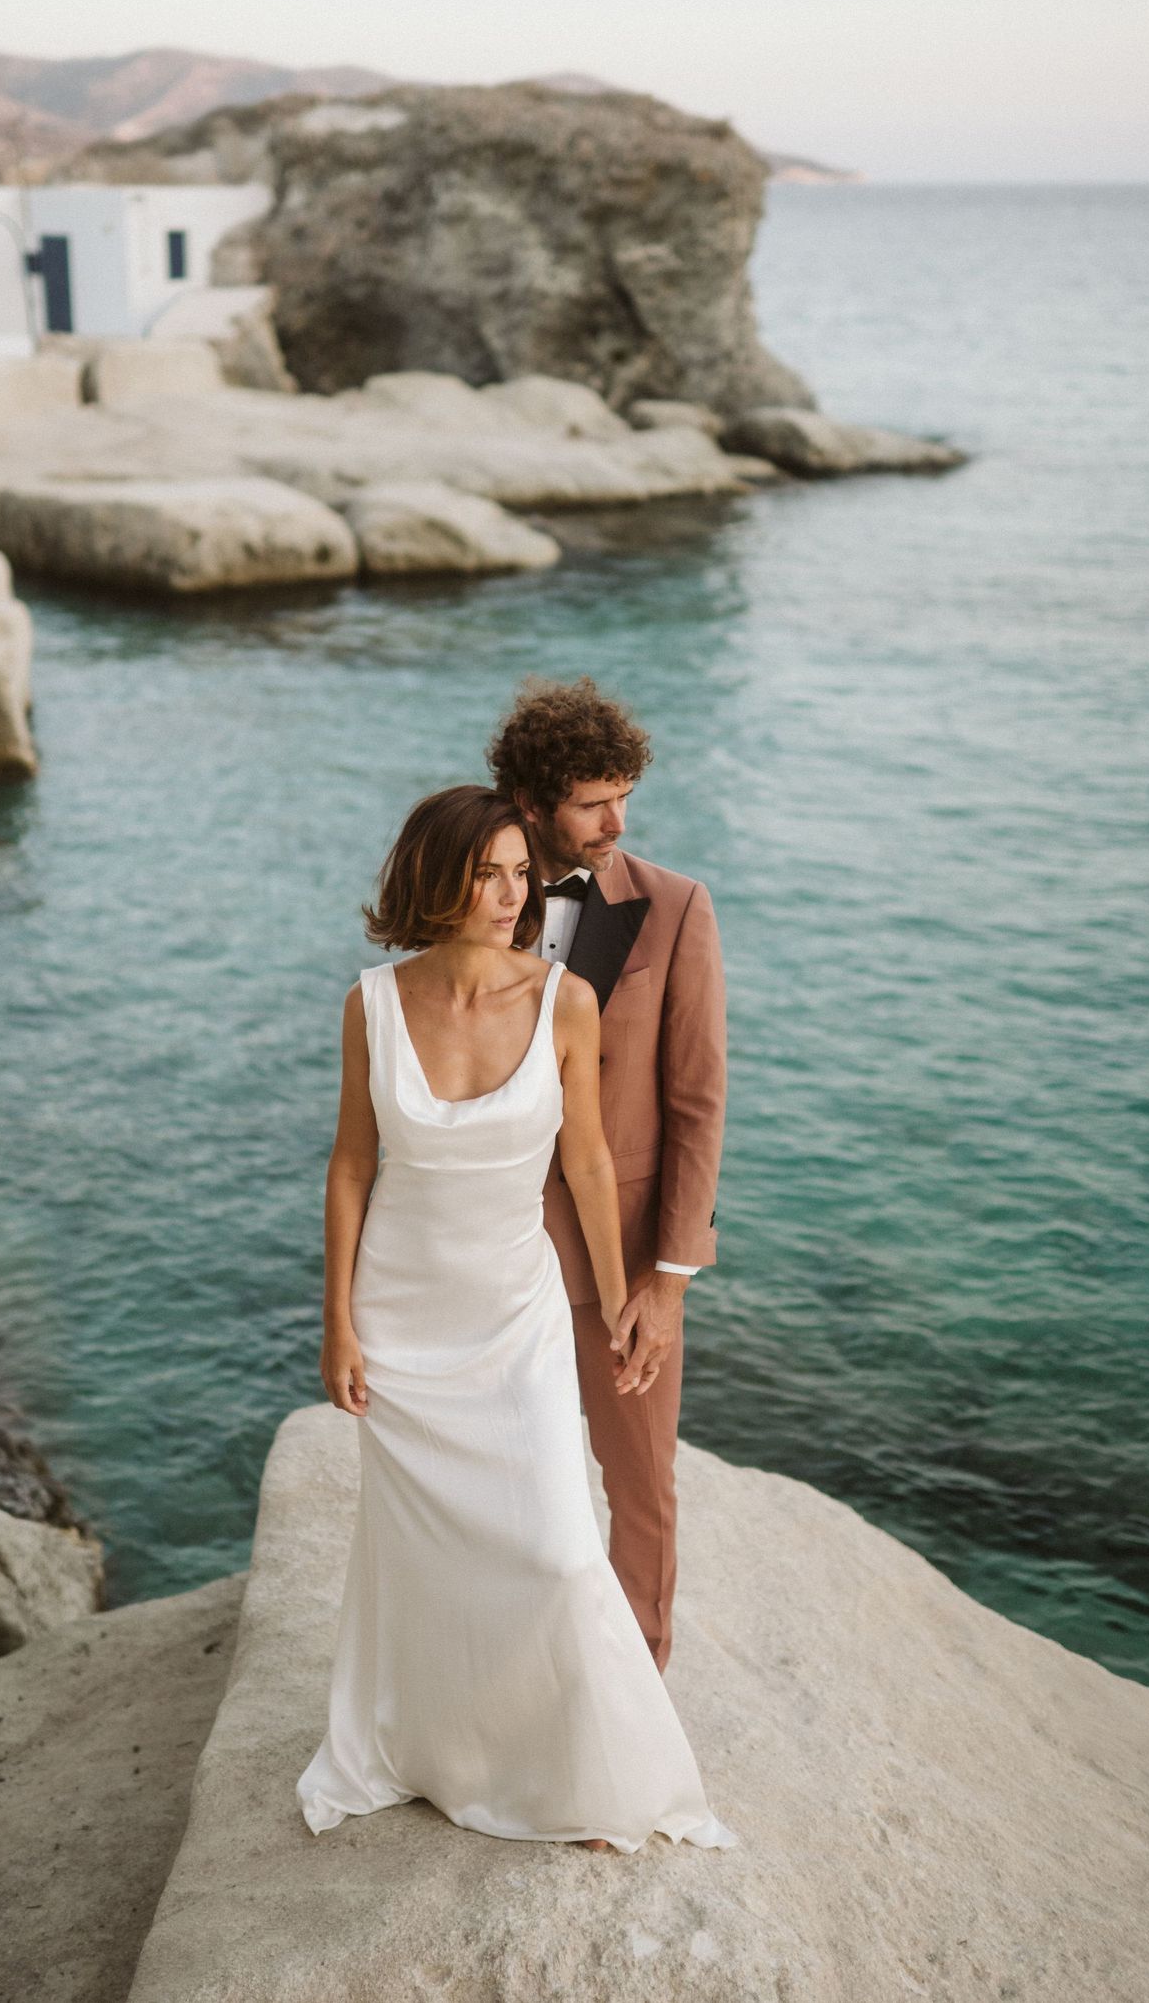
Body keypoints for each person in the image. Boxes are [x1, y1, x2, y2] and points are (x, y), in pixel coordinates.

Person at [297, 785, 734, 1854]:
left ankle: (588, 1769)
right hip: (403, 1314)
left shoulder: (564, 1002)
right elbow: (353, 1167)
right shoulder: (372, 1003)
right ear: (433, 880)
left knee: (555, 1550)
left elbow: (585, 1161)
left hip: (518, 1310)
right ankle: (442, 1750)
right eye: (485, 873)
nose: (510, 893)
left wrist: (629, 1296)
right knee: (424, 1554)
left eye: (517, 872)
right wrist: (339, 1326)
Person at [488, 677, 727, 1674]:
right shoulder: (472, 894)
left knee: (639, 1488)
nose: (616, 822)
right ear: (536, 802)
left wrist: (667, 1281)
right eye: (593, 801)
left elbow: (696, 1105)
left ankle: (632, 1713)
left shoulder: (672, 910)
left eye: (624, 796)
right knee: (501, 1485)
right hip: (488, 1254)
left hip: (618, 1260)